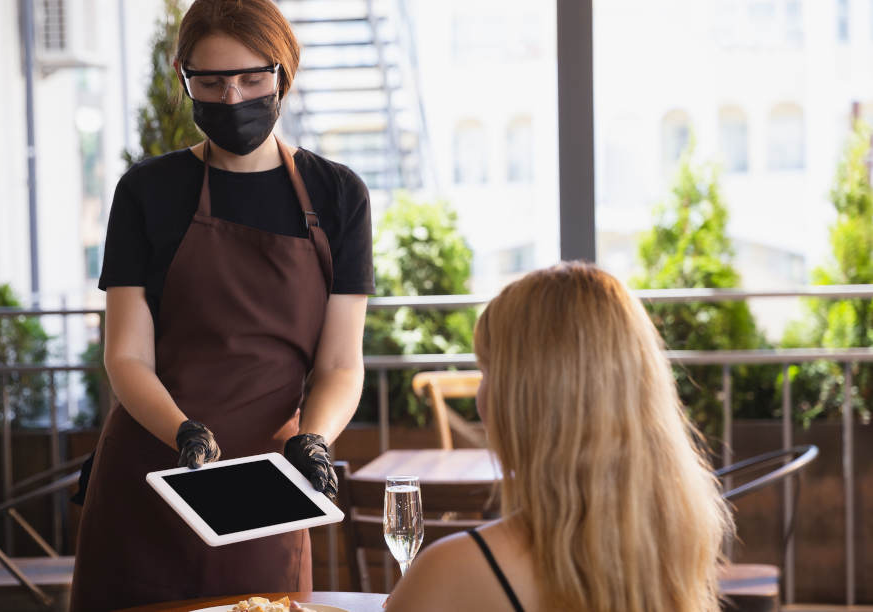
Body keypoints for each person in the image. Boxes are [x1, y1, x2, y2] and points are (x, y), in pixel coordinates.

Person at [69, 0, 374, 609]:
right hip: (151, 471)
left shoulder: (337, 194)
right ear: (185, 77)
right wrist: (182, 432)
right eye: (210, 81)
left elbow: (340, 363)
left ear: (284, 73)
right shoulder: (147, 191)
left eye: (252, 78)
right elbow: (127, 355)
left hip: (268, 487)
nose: (232, 98)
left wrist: (313, 440)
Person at [385, 262, 732, 612]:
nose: (481, 396)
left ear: (523, 399)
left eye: (487, 370)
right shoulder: (679, 547)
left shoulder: (454, 571)